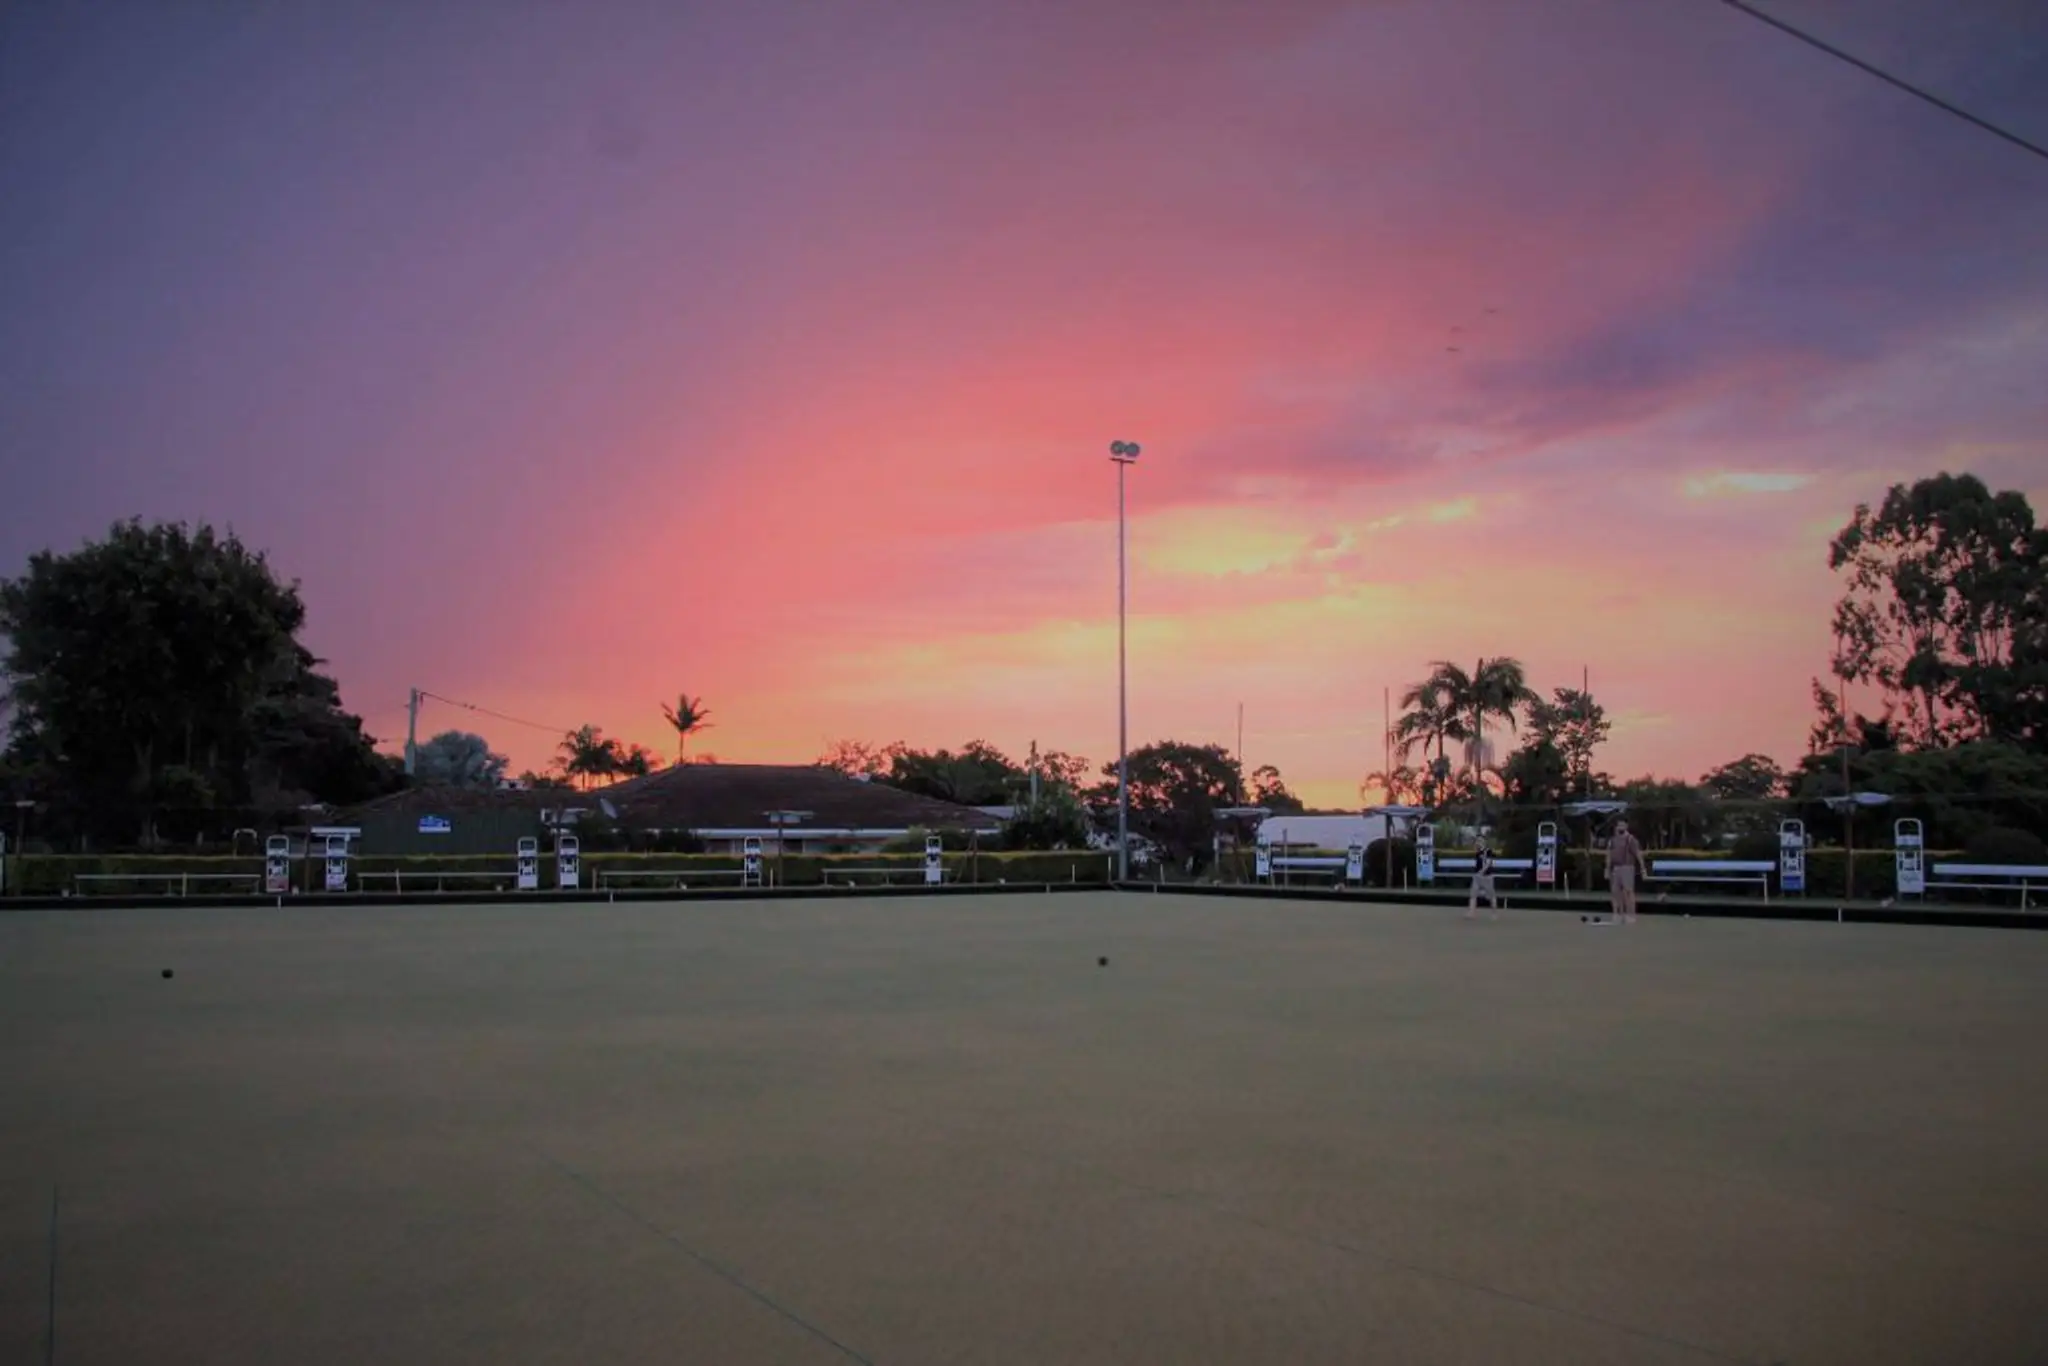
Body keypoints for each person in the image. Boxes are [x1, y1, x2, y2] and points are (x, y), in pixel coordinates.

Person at [1606, 818, 1649, 923]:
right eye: (1619, 825)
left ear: (1626, 826)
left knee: (1628, 892)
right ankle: (1617, 914)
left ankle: (1630, 915)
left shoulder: (1631, 839)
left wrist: (1643, 869)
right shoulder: (1612, 840)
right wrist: (1607, 869)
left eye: (1622, 825)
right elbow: (1609, 855)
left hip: (1627, 867)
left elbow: (1638, 854)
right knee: (1616, 892)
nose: (1620, 827)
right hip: (1615, 868)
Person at [1465, 841, 1501, 920]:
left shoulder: (1488, 851)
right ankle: (1471, 912)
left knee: (1491, 896)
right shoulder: (1478, 853)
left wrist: (1481, 872)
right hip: (1477, 877)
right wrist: (1478, 873)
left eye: (1478, 842)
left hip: (1487, 877)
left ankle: (1494, 914)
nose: (1476, 844)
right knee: (1473, 894)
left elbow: (1488, 863)